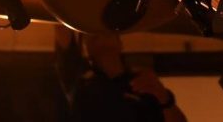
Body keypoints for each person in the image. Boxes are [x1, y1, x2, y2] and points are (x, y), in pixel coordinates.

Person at [55, 27, 187, 122]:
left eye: (108, 30)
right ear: (86, 47)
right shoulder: (78, 75)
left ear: (120, 43)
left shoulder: (143, 85)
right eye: (92, 31)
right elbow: (61, 23)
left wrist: (164, 98)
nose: (101, 32)